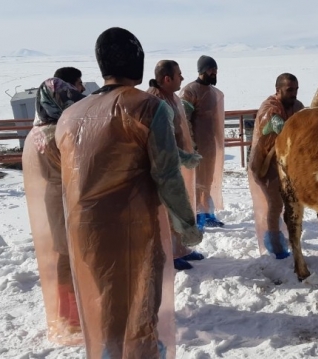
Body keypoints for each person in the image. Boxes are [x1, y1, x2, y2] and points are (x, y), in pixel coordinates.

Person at [55, 27, 201, 359]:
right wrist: (186, 224)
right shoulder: (147, 108)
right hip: (131, 229)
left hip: (83, 228)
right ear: (137, 60)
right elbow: (166, 174)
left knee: (108, 299)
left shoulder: (71, 115)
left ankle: (111, 352)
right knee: (140, 304)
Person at [22, 68, 86, 346]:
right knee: (76, 255)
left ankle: (66, 312)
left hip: (52, 198)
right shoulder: (59, 133)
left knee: (63, 254)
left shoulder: (36, 132)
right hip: (69, 198)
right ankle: (77, 316)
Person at [147, 60, 206, 271]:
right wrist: (182, 156)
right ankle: (169, 254)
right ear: (167, 79)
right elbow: (160, 144)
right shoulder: (154, 101)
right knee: (167, 211)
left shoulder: (171, 98)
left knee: (180, 205)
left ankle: (181, 249)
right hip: (163, 165)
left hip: (176, 160)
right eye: (179, 74)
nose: (182, 77)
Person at [247, 73, 304, 259]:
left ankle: (289, 237)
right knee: (275, 202)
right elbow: (274, 125)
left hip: (287, 163)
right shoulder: (269, 108)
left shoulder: (296, 106)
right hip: (266, 164)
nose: (294, 94)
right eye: (289, 90)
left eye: (295, 90)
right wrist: (281, 126)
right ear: (278, 90)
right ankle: (274, 243)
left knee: (290, 201)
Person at [180, 55, 226, 231]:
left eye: (215, 69)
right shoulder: (190, 91)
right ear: (201, 71)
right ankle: (196, 215)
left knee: (207, 180)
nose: (213, 72)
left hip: (210, 146)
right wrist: (191, 142)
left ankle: (208, 213)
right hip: (196, 146)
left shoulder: (213, 93)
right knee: (196, 181)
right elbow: (184, 119)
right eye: (210, 69)